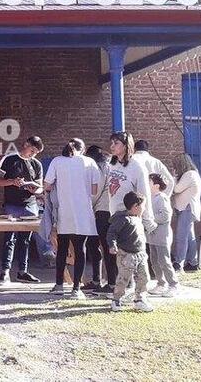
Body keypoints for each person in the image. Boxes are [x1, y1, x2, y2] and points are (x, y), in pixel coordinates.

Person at [44, 138, 101, 299]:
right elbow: (94, 190)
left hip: (64, 212)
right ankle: (76, 288)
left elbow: (47, 185)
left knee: (61, 249)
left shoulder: (57, 161)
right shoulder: (90, 162)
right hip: (83, 212)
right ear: (82, 149)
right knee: (79, 249)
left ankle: (58, 285)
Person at [103, 132, 156, 297]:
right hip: (115, 214)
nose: (112, 146)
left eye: (116, 143)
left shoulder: (136, 166)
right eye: (111, 143)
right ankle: (125, 287)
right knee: (119, 254)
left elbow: (143, 193)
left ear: (126, 146)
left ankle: (136, 290)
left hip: (130, 216)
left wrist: (147, 218)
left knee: (131, 254)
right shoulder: (111, 165)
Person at [0, 136, 45, 285]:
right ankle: (5, 272)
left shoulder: (37, 164)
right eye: (32, 150)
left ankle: (23, 271)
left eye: (36, 153)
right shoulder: (9, 159)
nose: (33, 155)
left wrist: (34, 188)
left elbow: (40, 187)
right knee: (10, 238)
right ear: (26, 145)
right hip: (12, 204)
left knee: (26, 239)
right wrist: (12, 182)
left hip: (30, 204)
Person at [107, 191, 154, 312]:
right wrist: (112, 245)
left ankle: (140, 299)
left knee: (144, 277)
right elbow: (111, 233)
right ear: (135, 206)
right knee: (123, 279)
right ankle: (116, 300)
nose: (144, 208)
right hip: (126, 255)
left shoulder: (138, 219)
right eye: (143, 206)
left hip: (141, 254)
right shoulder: (123, 219)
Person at [83, 145, 114, 295]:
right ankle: (100, 281)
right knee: (99, 246)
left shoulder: (100, 167)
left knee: (101, 247)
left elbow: (96, 192)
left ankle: (108, 282)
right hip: (108, 210)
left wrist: (87, 207)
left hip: (101, 211)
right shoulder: (111, 165)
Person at [147, 173, 179, 297]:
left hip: (162, 236)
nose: (147, 183)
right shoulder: (151, 198)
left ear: (156, 185)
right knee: (154, 261)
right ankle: (161, 283)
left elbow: (165, 216)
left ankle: (173, 284)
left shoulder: (162, 198)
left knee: (164, 261)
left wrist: (151, 219)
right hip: (152, 236)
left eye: (149, 182)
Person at [171, 153, 201, 273]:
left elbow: (176, 189)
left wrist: (174, 177)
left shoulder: (189, 174)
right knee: (189, 236)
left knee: (181, 236)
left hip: (187, 208)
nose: (174, 168)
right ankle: (192, 262)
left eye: (176, 165)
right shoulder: (192, 174)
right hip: (185, 208)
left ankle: (179, 263)